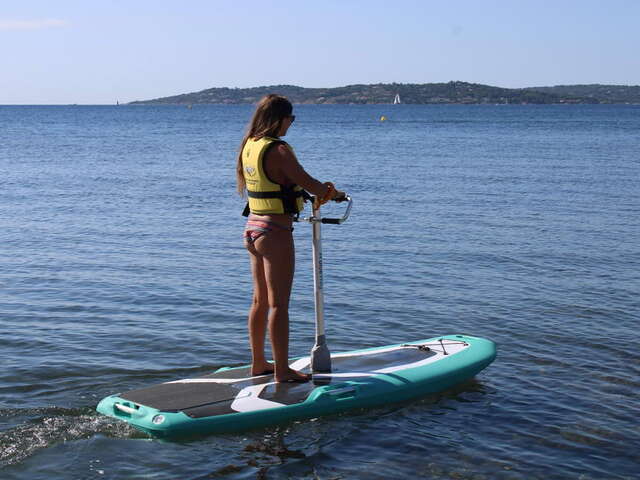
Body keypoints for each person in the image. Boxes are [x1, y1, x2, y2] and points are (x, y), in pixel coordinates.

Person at [236, 94, 344, 383]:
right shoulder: (279, 149)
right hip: (275, 232)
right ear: (279, 118)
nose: (291, 124)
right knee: (279, 304)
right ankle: (282, 371)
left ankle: (259, 364)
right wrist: (334, 193)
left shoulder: (250, 145)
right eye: (291, 118)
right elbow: (310, 184)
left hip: (252, 229)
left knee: (259, 301)